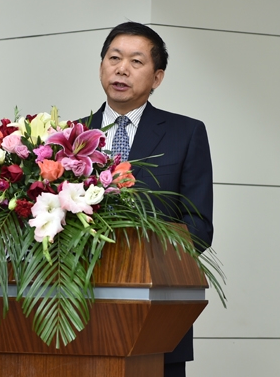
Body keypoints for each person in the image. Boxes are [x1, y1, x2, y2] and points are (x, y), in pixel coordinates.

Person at [85, 21, 214, 377]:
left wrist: (135, 259)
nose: (121, 69)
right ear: (101, 66)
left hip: (155, 320)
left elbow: (198, 227)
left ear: (157, 78)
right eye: (114, 58)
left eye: (136, 61)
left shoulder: (186, 133)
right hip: (76, 316)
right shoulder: (71, 136)